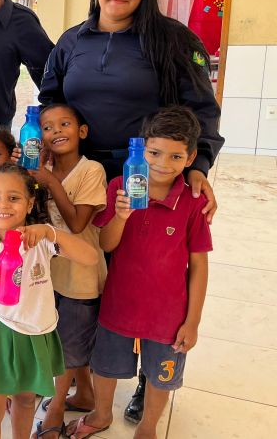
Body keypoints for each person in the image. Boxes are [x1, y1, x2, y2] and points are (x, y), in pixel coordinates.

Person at [38, 0, 224, 422]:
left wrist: (198, 165)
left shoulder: (171, 40)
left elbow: (202, 110)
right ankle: (85, 379)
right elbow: (50, 99)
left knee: (146, 278)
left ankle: (147, 379)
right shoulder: (72, 41)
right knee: (85, 280)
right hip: (81, 180)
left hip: (146, 184)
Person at [65, 107, 212, 439]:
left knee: (162, 376)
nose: (162, 163)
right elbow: (107, 243)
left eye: (176, 156)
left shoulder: (192, 201)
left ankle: (148, 427)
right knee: (105, 366)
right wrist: (121, 216)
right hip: (119, 303)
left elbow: (199, 265)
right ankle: (101, 414)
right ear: (141, 148)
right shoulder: (120, 186)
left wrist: (193, 321)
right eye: (154, 153)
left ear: (190, 159)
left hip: (168, 315)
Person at [0, 164, 97, 439]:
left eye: (13, 198)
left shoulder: (40, 239)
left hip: (35, 332)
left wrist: (50, 232)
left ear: (30, 203)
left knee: (25, 400)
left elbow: (90, 257)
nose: (3, 205)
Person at [25, 104, 107, 438]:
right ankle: (84, 393)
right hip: (49, 274)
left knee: (70, 347)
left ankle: (55, 409)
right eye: (47, 127)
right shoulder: (40, 168)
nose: (56, 131)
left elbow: (76, 222)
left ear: (82, 131)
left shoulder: (92, 171)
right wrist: (28, 171)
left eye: (64, 124)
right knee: (65, 339)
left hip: (80, 276)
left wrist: (49, 181)